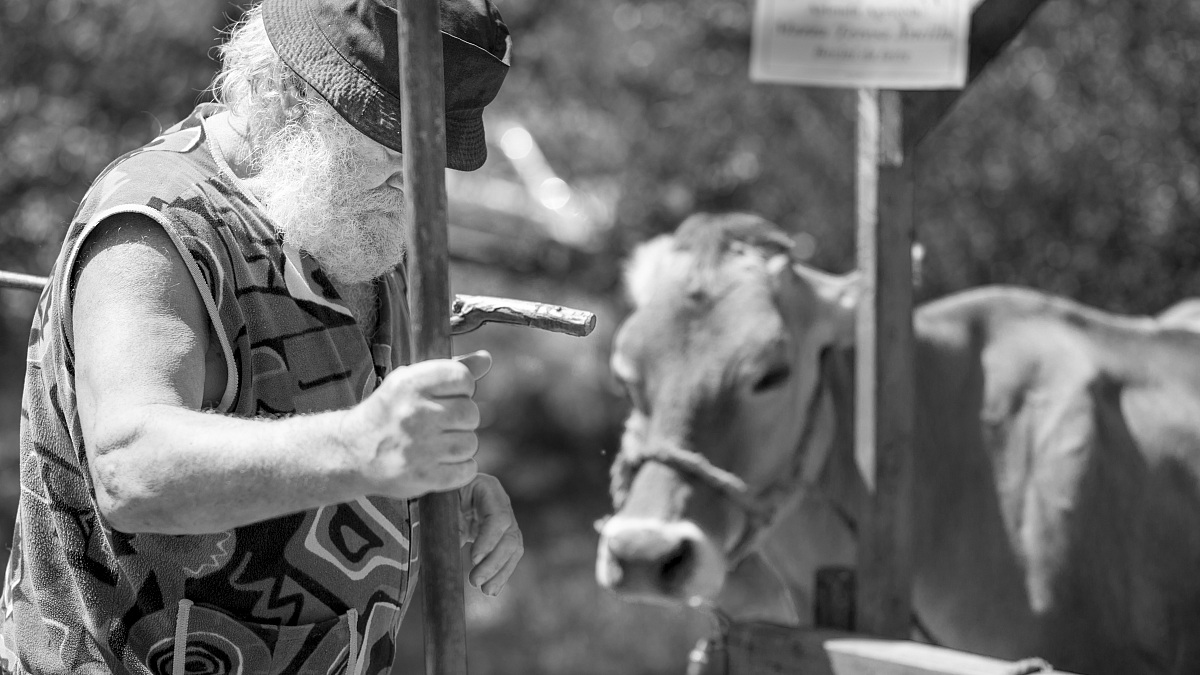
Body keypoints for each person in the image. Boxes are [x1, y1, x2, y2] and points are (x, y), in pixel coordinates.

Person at [0, 0, 523, 672]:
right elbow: (131, 468)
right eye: (385, 138)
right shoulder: (157, 224)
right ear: (284, 94)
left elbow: (340, 453)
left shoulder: (359, 229)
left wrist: (435, 483)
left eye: (430, 152)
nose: (413, 178)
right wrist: (365, 445)